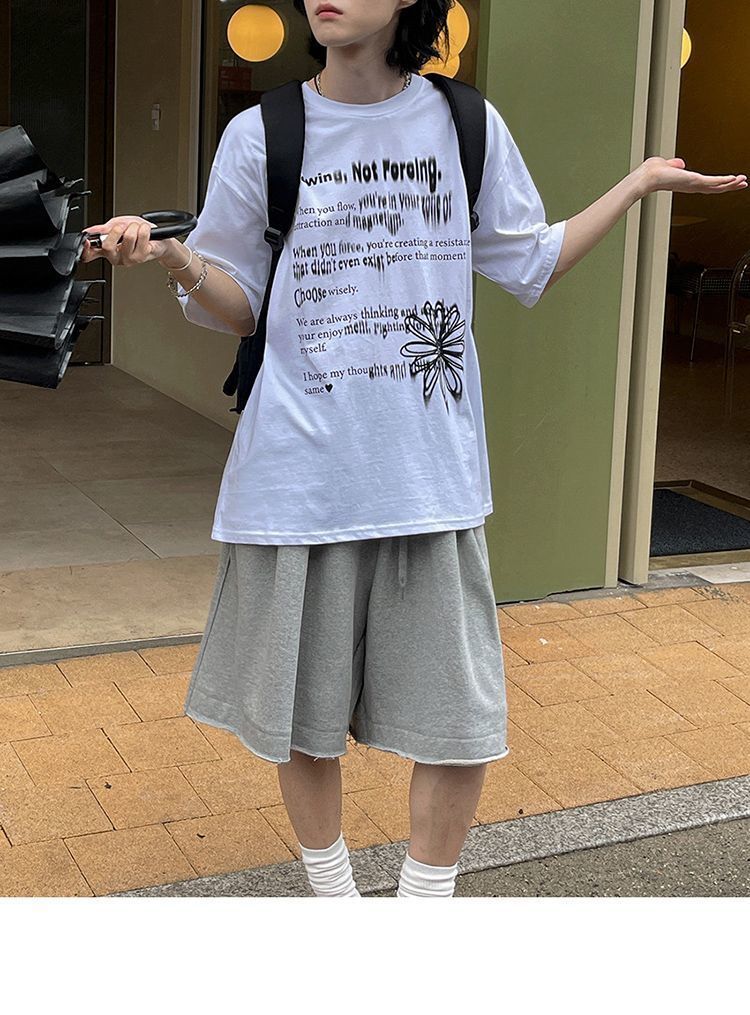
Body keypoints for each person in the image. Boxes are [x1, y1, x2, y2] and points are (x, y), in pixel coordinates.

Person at [82, 0, 747, 898]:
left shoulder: (464, 124)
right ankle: (337, 903)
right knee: (301, 720)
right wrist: (175, 260)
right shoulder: (262, 133)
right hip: (299, 476)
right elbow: (240, 306)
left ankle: (423, 914)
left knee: (459, 722)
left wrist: (634, 186)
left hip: (428, 475)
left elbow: (530, 261)